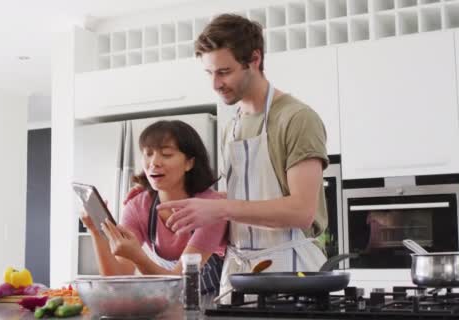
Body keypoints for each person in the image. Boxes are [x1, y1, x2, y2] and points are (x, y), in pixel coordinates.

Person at [148, 13, 330, 297]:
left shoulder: (296, 118)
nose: (215, 84)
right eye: (209, 73)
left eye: (224, 72)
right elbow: (246, 202)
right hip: (239, 275)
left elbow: (302, 211)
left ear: (254, 60)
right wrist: (201, 207)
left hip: (293, 273)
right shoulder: (232, 126)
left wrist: (220, 208)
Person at [80, 120, 227, 294]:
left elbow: (183, 284)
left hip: (216, 303)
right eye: (148, 154)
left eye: (166, 154)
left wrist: (137, 256)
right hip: (170, 300)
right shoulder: (137, 206)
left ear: (189, 163)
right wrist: (95, 231)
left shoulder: (211, 208)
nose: (154, 162)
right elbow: (117, 277)